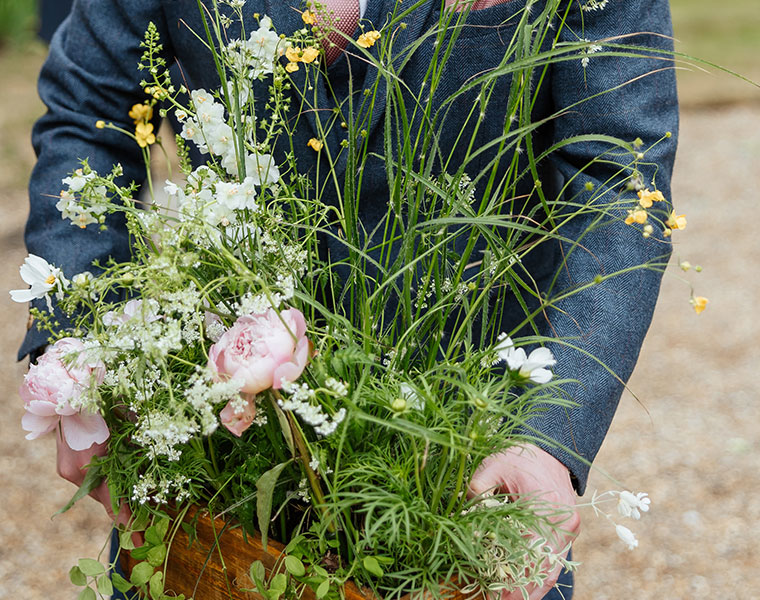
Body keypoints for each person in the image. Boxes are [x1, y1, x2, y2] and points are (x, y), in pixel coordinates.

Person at [19, 1, 678, 598]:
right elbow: (87, 116)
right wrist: (80, 349)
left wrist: (547, 439)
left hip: (460, 459)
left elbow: (617, 179)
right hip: (213, 453)